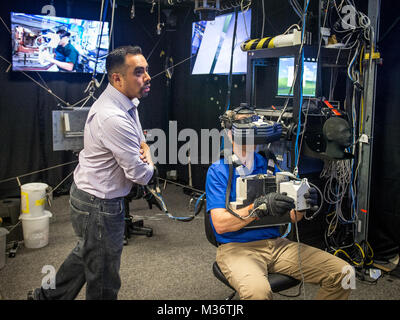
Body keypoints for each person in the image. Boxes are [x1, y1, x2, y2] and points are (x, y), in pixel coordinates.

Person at [28, 45, 154, 300]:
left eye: (147, 70)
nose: (147, 77)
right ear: (117, 78)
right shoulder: (112, 117)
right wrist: (150, 160)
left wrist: (143, 146)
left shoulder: (128, 100)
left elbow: (139, 136)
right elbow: (140, 175)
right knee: (105, 278)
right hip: (99, 205)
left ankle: (45, 297)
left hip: (90, 197)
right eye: (139, 72)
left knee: (88, 253)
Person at [205, 108, 352, 300]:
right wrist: (259, 207)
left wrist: (303, 203)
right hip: (237, 248)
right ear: (231, 132)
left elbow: (292, 217)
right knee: (258, 293)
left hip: (277, 245)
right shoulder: (219, 170)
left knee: (343, 273)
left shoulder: (271, 165)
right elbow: (221, 224)